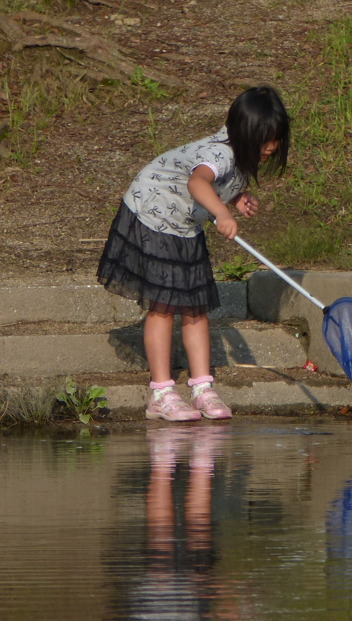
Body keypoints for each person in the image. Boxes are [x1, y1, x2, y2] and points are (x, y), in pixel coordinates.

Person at [98, 86, 290, 421]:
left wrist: (236, 199)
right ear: (244, 135)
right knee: (163, 306)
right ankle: (161, 392)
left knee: (195, 306)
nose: (270, 148)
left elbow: (218, 185)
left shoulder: (240, 157)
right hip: (153, 214)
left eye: (275, 140)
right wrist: (222, 214)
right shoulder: (220, 154)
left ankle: (202, 388)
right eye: (264, 140)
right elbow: (198, 184)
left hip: (184, 224)